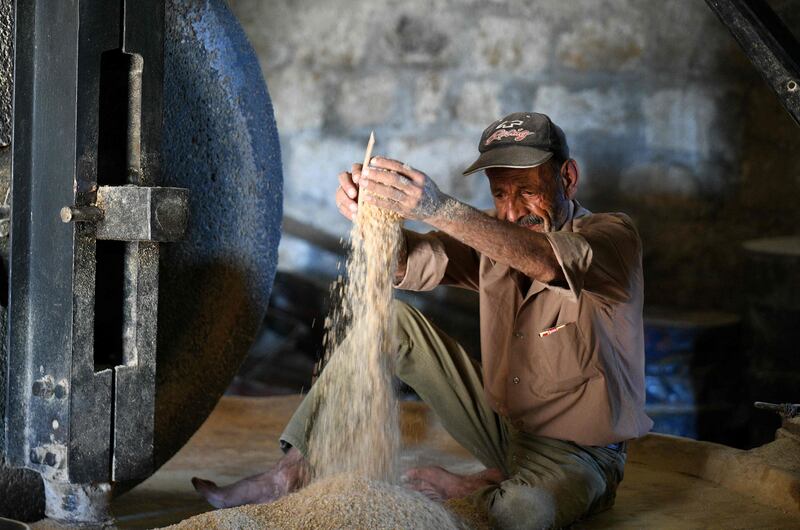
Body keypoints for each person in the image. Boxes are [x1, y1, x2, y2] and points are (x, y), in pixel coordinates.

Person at [192, 112, 652, 529]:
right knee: (393, 321)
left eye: (529, 192)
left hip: (579, 455)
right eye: (499, 193)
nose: (511, 210)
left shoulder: (613, 237)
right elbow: (404, 265)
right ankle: (288, 474)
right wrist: (374, 215)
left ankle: (483, 486)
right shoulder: (495, 233)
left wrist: (438, 207)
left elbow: (545, 263)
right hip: (503, 429)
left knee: (523, 512)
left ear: (567, 179)